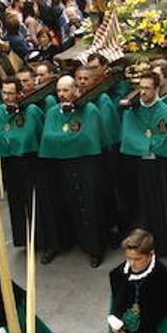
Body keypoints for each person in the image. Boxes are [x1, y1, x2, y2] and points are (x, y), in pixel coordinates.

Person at [37, 76, 115, 268]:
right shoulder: (54, 112)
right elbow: (48, 138)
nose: (62, 95)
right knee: (70, 203)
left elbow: (88, 138)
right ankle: (75, 240)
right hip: (64, 168)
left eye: (66, 90)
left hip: (88, 165)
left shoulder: (89, 109)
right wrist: (71, 138)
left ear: (75, 90)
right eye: (59, 91)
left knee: (91, 204)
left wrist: (64, 139)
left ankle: (96, 248)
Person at [118, 72, 167, 267]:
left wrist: (144, 143)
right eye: (141, 88)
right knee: (146, 206)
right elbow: (129, 137)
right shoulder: (132, 111)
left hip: (162, 166)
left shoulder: (166, 112)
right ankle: (152, 247)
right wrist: (147, 144)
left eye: (148, 88)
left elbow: (166, 140)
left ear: (157, 89)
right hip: (142, 166)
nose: (144, 92)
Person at [0, 79, 44, 245]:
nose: (6, 97)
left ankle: (40, 239)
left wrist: (11, 139)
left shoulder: (31, 110)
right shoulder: (0, 111)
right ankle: (22, 238)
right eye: (4, 93)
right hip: (9, 162)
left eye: (10, 93)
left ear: (20, 93)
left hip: (29, 162)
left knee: (34, 201)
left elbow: (33, 135)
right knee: (16, 202)